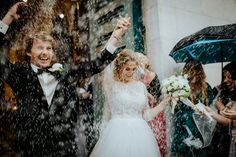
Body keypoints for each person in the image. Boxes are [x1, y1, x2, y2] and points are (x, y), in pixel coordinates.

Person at [0, 15, 131, 157]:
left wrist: (115, 36)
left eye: (48, 48)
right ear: (28, 52)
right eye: (39, 48)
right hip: (31, 147)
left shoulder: (62, 73)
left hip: (64, 148)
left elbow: (95, 65)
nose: (45, 52)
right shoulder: (19, 75)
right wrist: (9, 17)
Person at [90, 49, 172, 157]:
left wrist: (163, 104)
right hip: (117, 134)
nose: (130, 72)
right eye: (127, 69)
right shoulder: (112, 87)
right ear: (119, 68)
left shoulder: (141, 87)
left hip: (141, 134)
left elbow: (146, 115)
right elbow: (107, 114)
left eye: (133, 69)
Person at [171, 59, 214, 157]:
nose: (194, 77)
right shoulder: (181, 87)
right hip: (184, 127)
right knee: (185, 152)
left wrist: (202, 110)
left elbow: (209, 107)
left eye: (196, 74)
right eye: (191, 74)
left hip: (200, 126)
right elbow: (176, 111)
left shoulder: (206, 88)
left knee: (201, 153)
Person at [135, 52, 166, 157]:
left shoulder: (153, 76)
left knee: (157, 138)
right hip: (142, 114)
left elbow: (156, 97)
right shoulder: (136, 79)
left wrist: (146, 94)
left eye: (139, 65)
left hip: (154, 113)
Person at [208, 62, 236, 157]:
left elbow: (228, 118)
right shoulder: (222, 91)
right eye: (224, 77)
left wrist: (220, 107)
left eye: (229, 77)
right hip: (219, 135)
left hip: (231, 137)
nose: (225, 81)